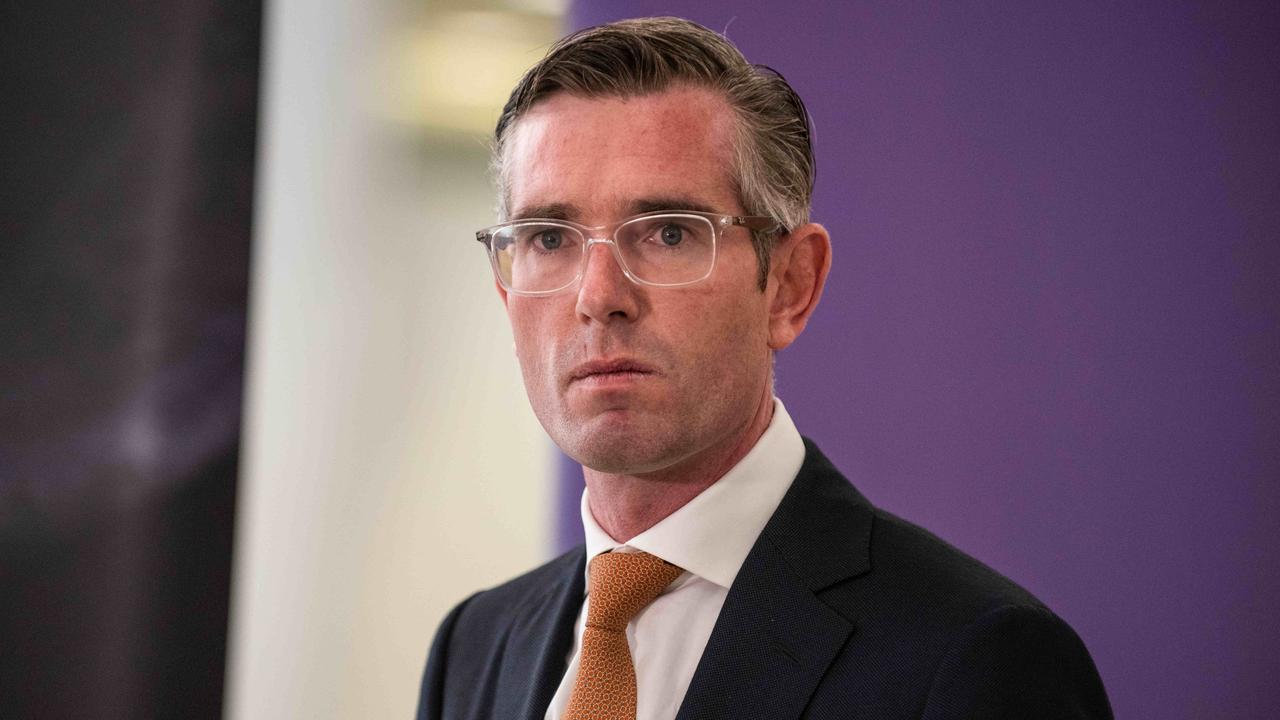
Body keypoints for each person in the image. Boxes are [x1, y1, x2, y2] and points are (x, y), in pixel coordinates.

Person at [417, 16, 1112, 720]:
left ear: (789, 286)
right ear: (507, 295)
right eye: (548, 238)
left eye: (668, 232)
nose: (599, 297)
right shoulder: (474, 647)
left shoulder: (976, 660)